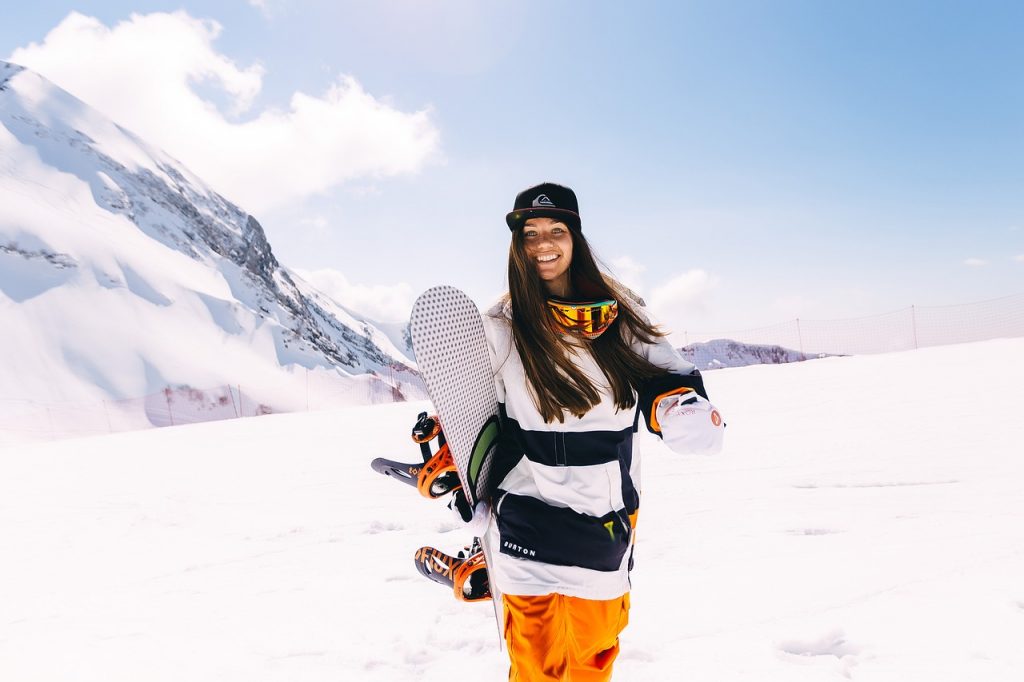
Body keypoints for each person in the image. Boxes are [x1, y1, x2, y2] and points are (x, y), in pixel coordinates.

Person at [476, 182, 725, 681]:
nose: (543, 244)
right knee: (534, 666)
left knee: (591, 661)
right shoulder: (501, 324)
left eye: (556, 231)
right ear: (516, 245)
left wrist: (677, 409)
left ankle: (475, 572)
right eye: (530, 234)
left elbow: (665, 376)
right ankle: (480, 567)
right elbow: (482, 413)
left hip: (602, 520)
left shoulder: (618, 314)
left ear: (576, 237)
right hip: (527, 512)